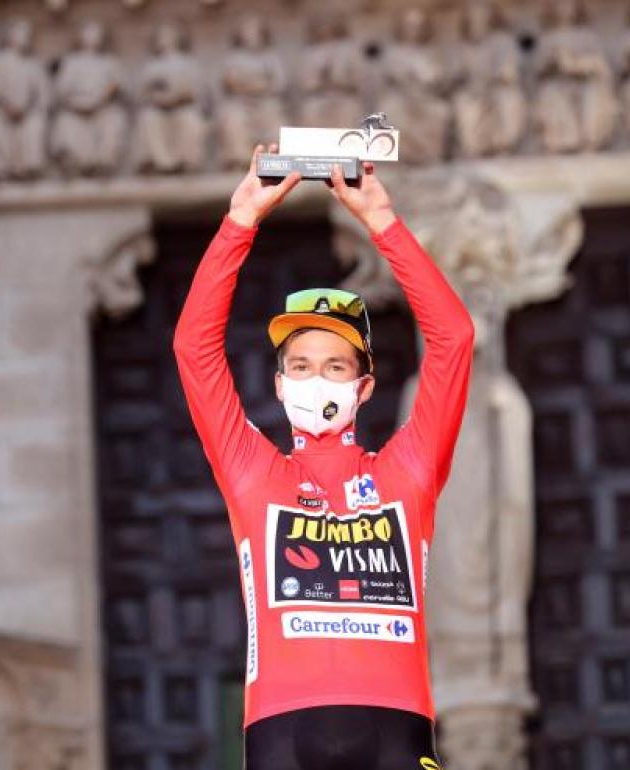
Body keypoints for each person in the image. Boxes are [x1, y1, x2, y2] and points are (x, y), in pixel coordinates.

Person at [173, 146, 474, 769]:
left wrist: (382, 221)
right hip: (284, 730)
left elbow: (453, 340)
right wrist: (241, 219)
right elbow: (194, 349)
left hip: (396, 726)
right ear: (279, 386)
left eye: (335, 367)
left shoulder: (406, 471)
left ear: (363, 387)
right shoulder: (255, 473)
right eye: (301, 367)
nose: (317, 381)